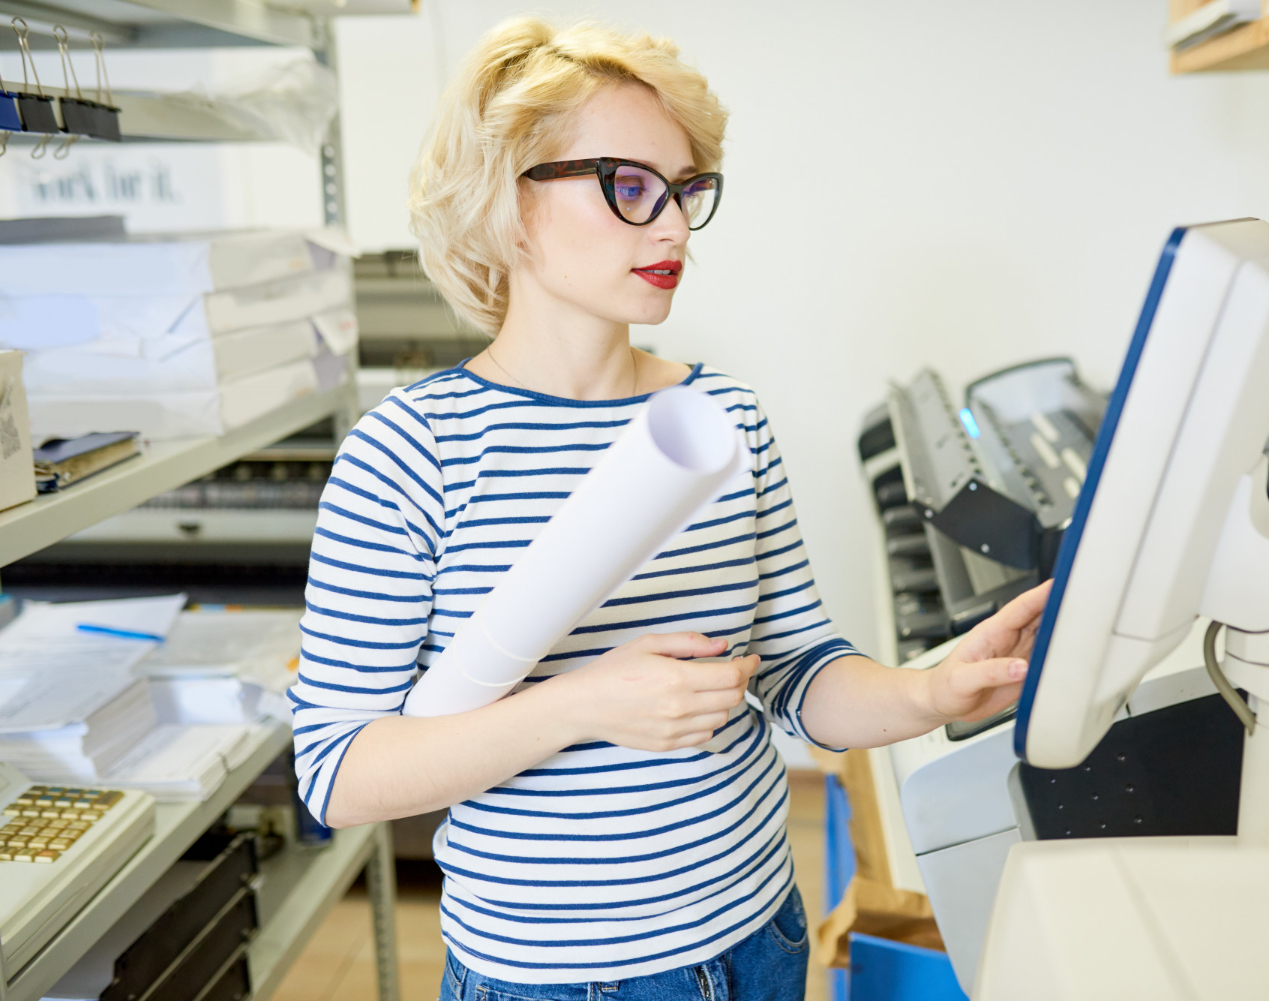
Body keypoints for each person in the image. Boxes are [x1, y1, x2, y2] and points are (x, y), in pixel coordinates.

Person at [288, 17, 1049, 1001]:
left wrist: (926, 694)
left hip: (756, 938)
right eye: (629, 187)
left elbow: (794, 666)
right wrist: (583, 703)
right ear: (507, 201)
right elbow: (338, 773)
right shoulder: (409, 453)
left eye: (686, 191)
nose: (675, 228)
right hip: (555, 980)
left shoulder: (721, 416)